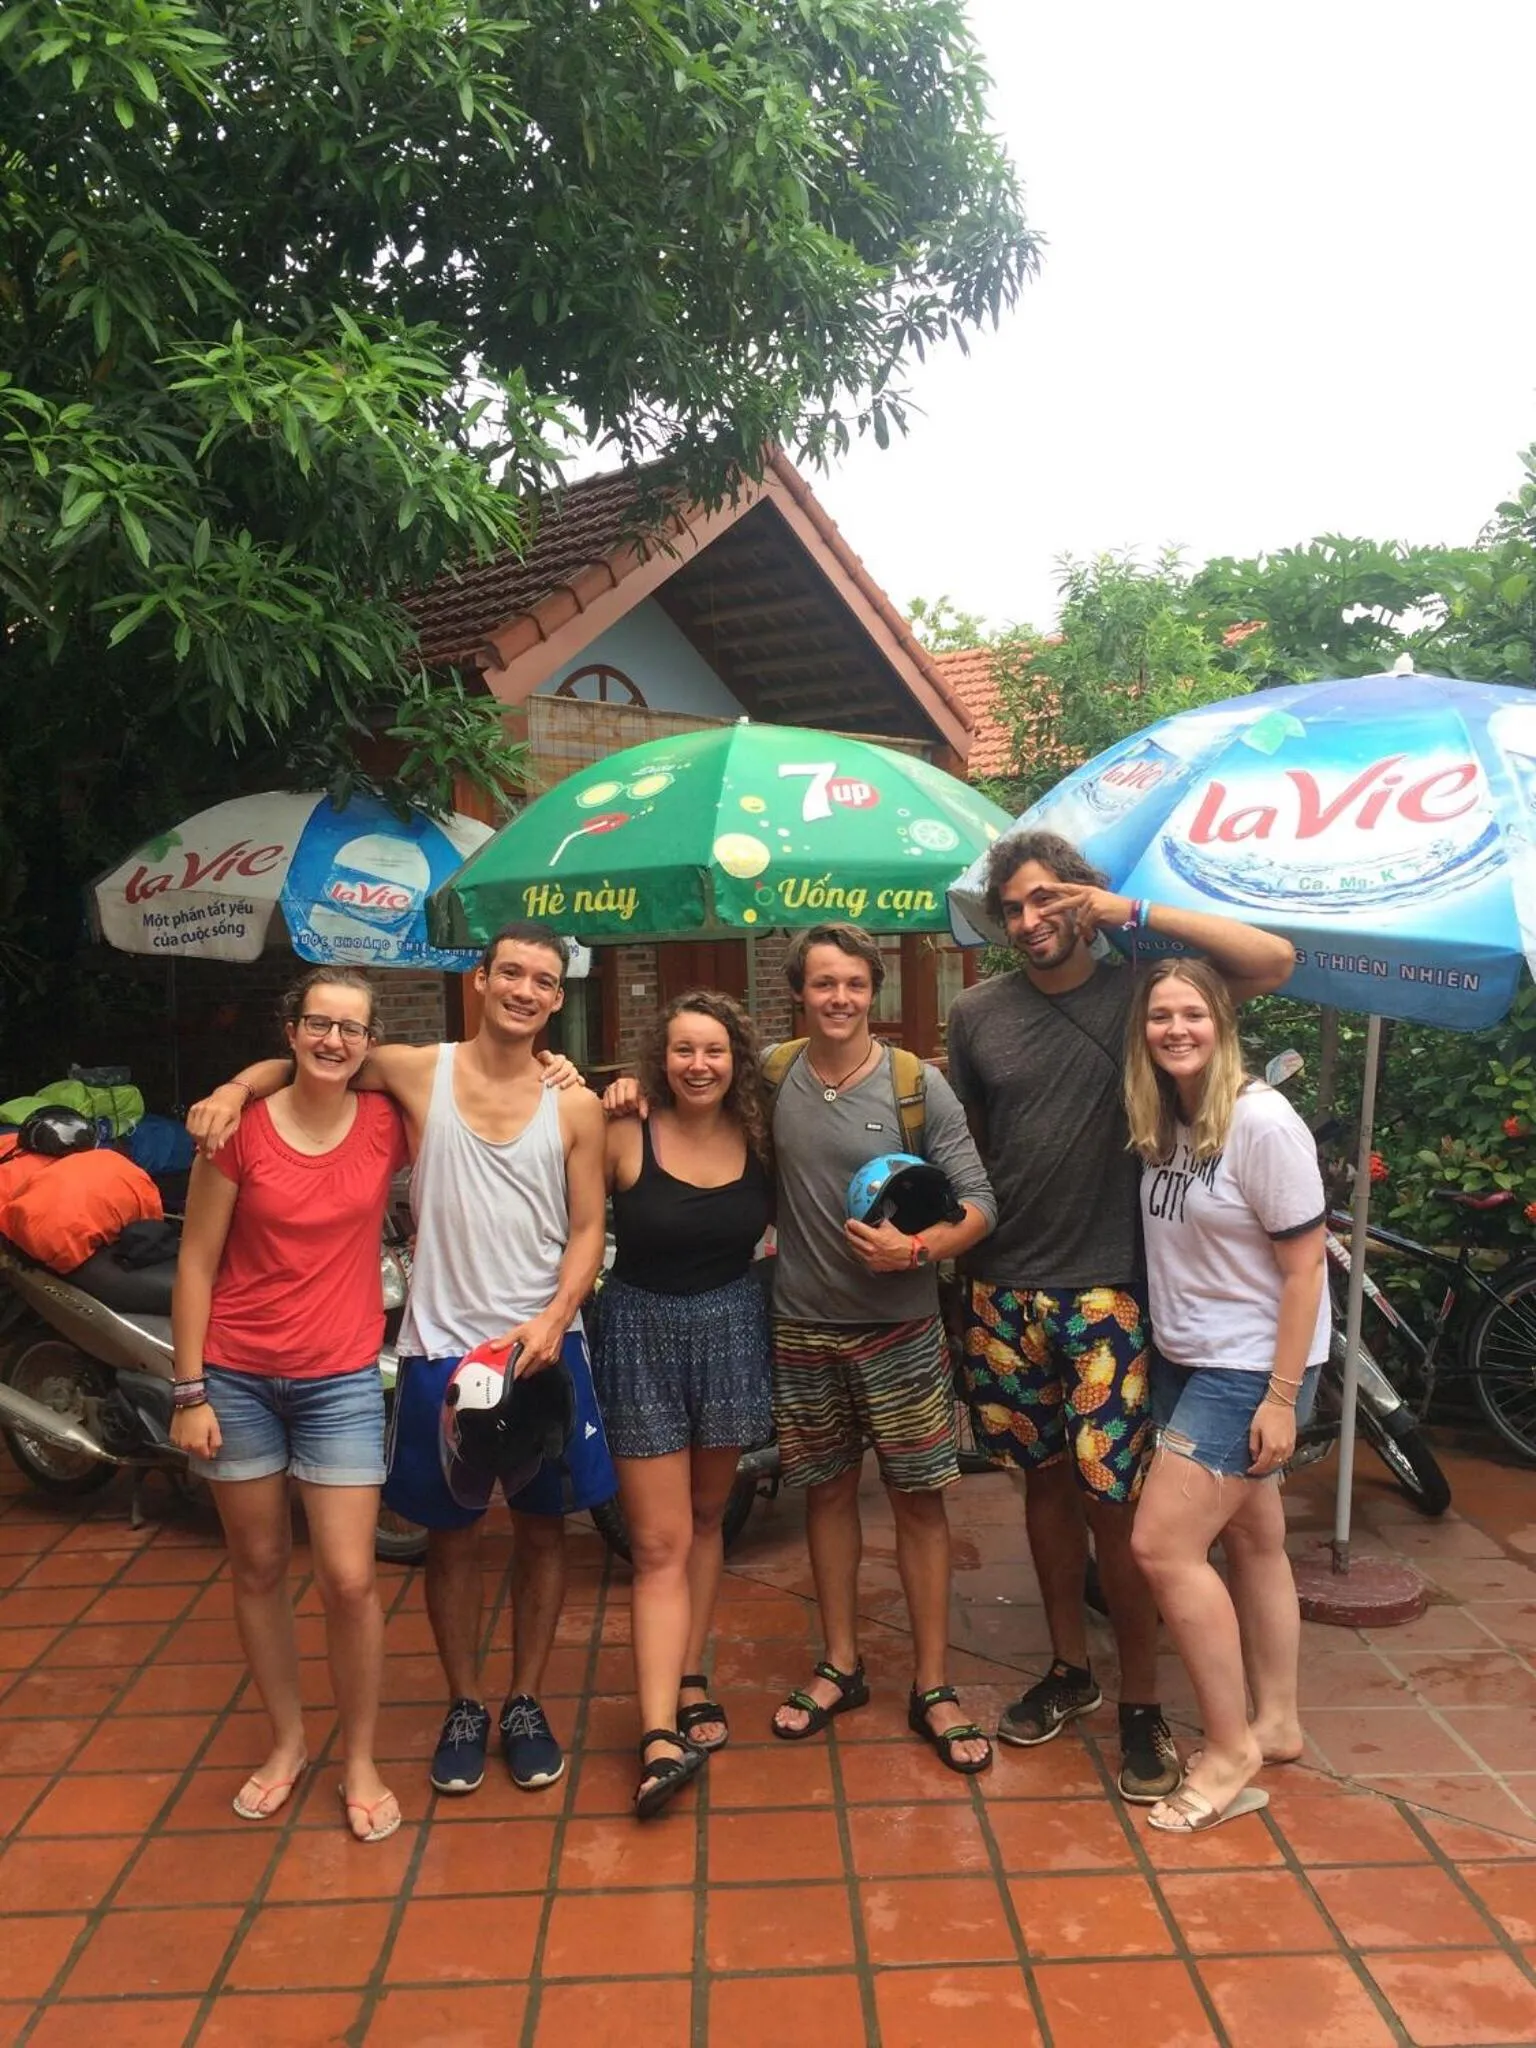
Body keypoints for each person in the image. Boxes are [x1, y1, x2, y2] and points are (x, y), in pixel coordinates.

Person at [188, 922, 612, 1800]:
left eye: (542, 980)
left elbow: (588, 1229)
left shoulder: (573, 1104)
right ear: (480, 981)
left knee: (544, 1530)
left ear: (557, 996)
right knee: (450, 1537)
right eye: (510, 973)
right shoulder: (419, 1071)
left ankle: (524, 1701)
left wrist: (557, 1314)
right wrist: (233, 1085)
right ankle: (464, 1702)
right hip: (439, 1346)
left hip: (544, 1348)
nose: (524, 991)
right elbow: (312, 1060)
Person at [945, 832, 1294, 1802]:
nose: (1029, 921)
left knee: (1119, 1503)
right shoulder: (976, 1013)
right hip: (1004, 1290)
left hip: (1112, 1293)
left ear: (1084, 898)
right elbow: (975, 1147)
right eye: (1013, 907)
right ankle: (1071, 1666)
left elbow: (1270, 960)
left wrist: (1127, 913)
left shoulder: (1146, 996)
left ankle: (1143, 1700)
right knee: (1042, 1487)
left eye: (1047, 899)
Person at [749, 925, 998, 1771]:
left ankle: (933, 1684)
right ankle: (840, 1665)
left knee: (919, 1503)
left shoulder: (915, 1084)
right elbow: (690, 1098)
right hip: (803, 1327)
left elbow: (980, 1203)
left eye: (855, 984)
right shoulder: (772, 1075)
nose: (840, 999)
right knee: (825, 1495)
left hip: (901, 1332)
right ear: (799, 991)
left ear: (873, 990)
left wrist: (918, 1250)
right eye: (824, 983)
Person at [172, 968, 408, 1842]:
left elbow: (481, 1090)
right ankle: (287, 1742)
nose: (333, 1040)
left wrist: (565, 1074)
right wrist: (189, 1390)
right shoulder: (239, 1131)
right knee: (260, 1566)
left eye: (351, 1028)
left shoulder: (386, 1122)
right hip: (236, 1375)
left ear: (370, 1042)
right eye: (318, 1023)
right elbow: (196, 1262)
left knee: (349, 1578)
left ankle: (361, 1759)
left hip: (340, 1379)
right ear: (292, 1028)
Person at [1125, 960, 1328, 1832]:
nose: (1176, 1029)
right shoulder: (1168, 1118)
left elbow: (1306, 1268)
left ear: (1223, 1023)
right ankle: (1276, 1722)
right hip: (1189, 1355)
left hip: (1249, 1369)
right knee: (1254, 1536)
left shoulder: (1263, 1122)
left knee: (1163, 1545)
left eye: (1193, 1014)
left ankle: (1229, 1748)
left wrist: (1280, 1398)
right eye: (1159, 1016)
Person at [594, 990, 774, 1818]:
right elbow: (570, 1222)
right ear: (658, 1059)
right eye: (682, 1050)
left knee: (707, 1519)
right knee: (657, 1542)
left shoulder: (762, 1135)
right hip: (640, 1333)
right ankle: (659, 1729)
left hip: (731, 1328)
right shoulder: (624, 1130)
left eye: (714, 1051)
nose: (699, 1065)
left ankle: (692, 1673)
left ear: (737, 1060)